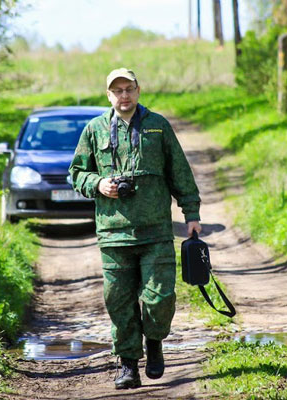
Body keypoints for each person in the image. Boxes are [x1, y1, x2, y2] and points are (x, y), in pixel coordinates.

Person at [69, 68, 202, 390]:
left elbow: (180, 172)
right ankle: (128, 364)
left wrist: (191, 214)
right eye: (117, 91)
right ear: (109, 96)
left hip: (156, 229)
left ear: (138, 90)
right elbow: (76, 173)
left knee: (160, 298)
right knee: (118, 301)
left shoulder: (158, 126)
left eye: (129, 89)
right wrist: (99, 183)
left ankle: (154, 342)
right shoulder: (94, 129)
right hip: (114, 233)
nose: (124, 96)